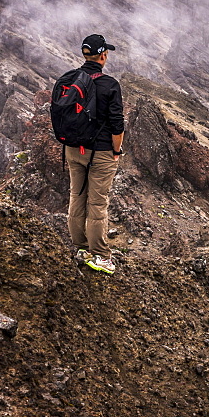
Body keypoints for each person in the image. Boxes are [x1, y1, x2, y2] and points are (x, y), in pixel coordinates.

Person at [65, 33, 125, 274]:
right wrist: (116, 151)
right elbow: (117, 124)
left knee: (77, 196)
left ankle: (80, 247)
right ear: (103, 55)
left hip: (72, 149)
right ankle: (99, 255)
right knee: (98, 204)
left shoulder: (69, 78)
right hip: (100, 152)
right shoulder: (110, 85)